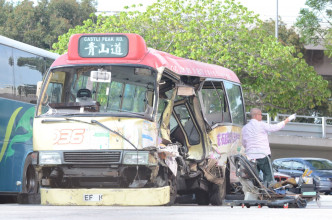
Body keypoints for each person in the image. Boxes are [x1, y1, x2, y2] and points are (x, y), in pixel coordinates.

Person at [242, 108, 296, 184]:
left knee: (253, 177)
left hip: (251, 157)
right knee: (268, 176)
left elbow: (244, 143)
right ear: (256, 115)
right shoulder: (261, 125)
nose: (262, 117)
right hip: (263, 155)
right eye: (261, 114)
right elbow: (275, 127)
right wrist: (287, 119)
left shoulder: (244, 128)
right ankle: (266, 191)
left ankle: (255, 191)